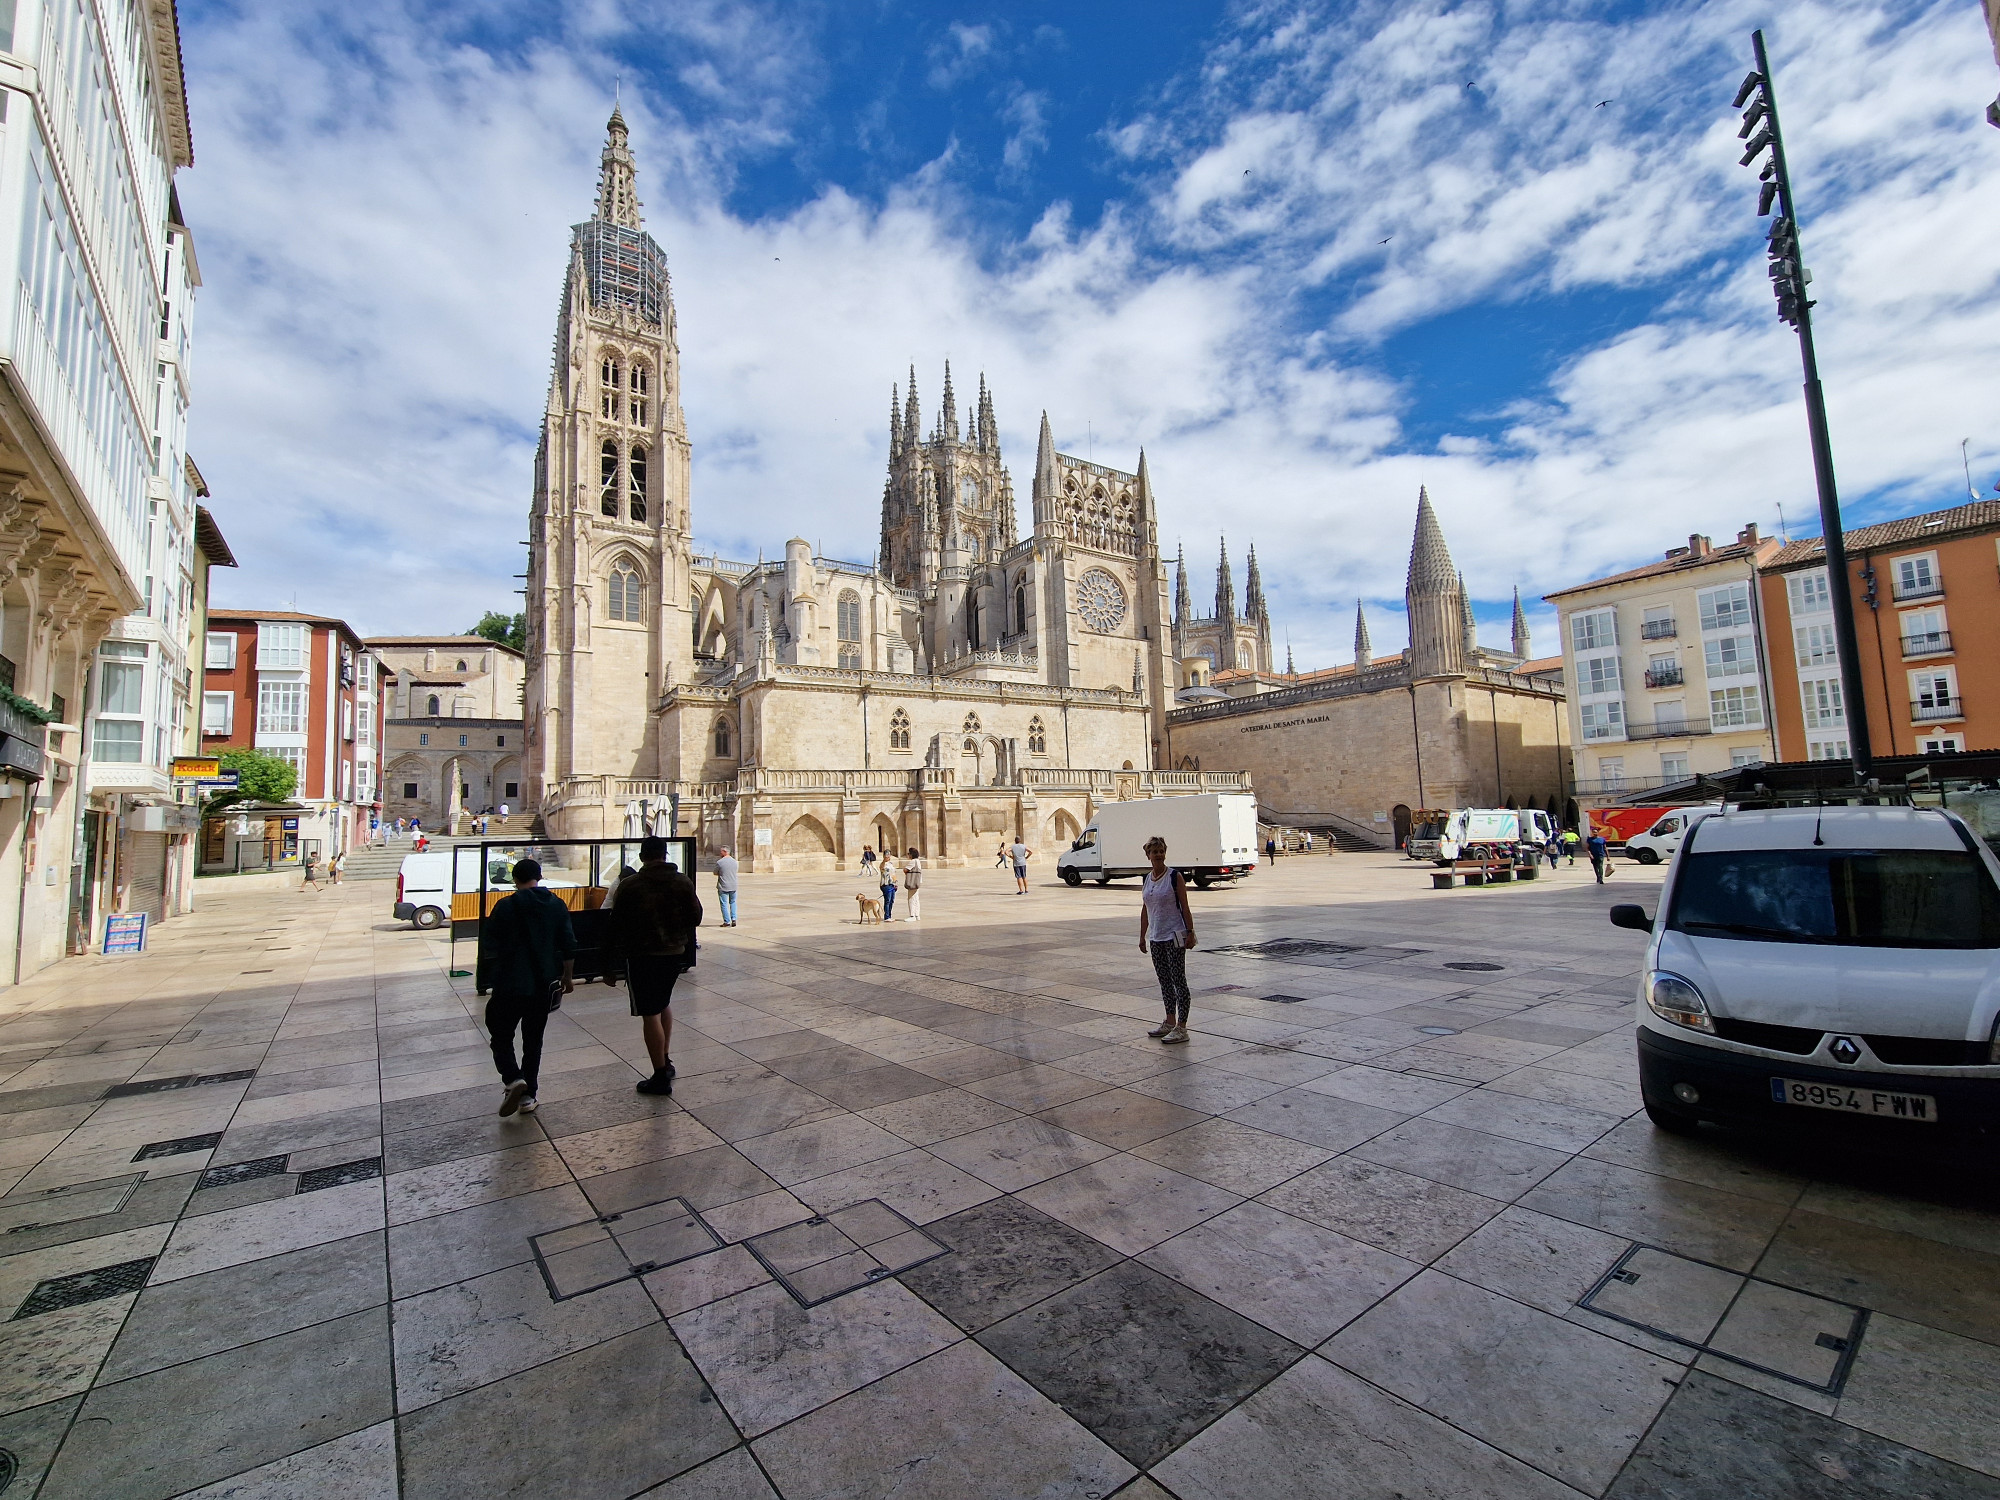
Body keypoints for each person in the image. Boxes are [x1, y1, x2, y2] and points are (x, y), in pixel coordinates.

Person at [476, 858, 575, 1116]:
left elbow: (489, 945)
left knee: (499, 1033)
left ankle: (512, 1077)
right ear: (539, 877)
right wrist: (567, 976)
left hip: (509, 984)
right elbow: (568, 944)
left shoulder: (505, 906)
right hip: (542, 984)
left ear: (515, 880)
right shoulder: (556, 905)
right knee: (533, 1041)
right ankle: (528, 1096)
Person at [608, 836, 703, 1095]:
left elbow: (615, 926)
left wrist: (608, 964)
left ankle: (660, 1075)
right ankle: (666, 1058)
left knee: (649, 1012)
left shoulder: (630, 886)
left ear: (642, 856)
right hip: (674, 953)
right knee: (663, 1003)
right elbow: (696, 916)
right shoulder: (682, 881)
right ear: (665, 854)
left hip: (642, 956)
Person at [1138, 836, 1197, 1044]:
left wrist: (1190, 931)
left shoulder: (1174, 876)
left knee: (1179, 980)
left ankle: (1182, 1027)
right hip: (1156, 936)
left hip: (1175, 935)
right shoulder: (1147, 878)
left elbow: (1185, 905)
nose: (1159, 855)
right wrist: (1142, 936)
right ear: (1148, 855)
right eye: (1154, 852)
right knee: (1164, 981)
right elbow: (1146, 908)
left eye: (1161, 851)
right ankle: (1169, 1021)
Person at [715, 846, 739, 927]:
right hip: (733, 885)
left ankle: (727, 921)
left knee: (724, 903)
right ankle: (734, 918)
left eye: (721, 851)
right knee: (733, 902)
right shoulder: (735, 862)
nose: (720, 853)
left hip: (723, 885)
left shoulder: (720, 862)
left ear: (725, 852)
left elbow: (715, 872)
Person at [878, 849, 900, 920]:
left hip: (892, 884)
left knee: (891, 900)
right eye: (886, 855)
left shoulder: (891, 864)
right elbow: (881, 867)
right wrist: (884, 860)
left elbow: (893, 874)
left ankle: (889, 915)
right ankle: (886, 917)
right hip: (885, 884)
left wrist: (895, 883)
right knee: (887, 900)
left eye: (889, 854)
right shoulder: (883, 864)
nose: (888, 856)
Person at [903, 846, 923, 920]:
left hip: (912, 882)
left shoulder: (913, 861)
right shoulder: (918, 861)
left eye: (909, 854)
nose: (908, 855)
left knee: (911, 898)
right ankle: (917, 915)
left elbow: (905, 870)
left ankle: (912, 915)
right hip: (917, 882)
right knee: (916, 899)